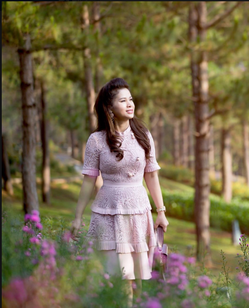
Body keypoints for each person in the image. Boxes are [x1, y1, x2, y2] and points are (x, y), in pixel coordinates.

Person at [71, 77, 169, 303]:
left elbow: (151, 175)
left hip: (138, 212)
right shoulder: (96, 140)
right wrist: (77, 217)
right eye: (123, 100)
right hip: (108, 213)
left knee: (140, 279)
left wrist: (161, 211)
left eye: (131, 99)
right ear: (110, 108)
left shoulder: (144, 135)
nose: (130, 104)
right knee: (118, 276)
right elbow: (88, 181)